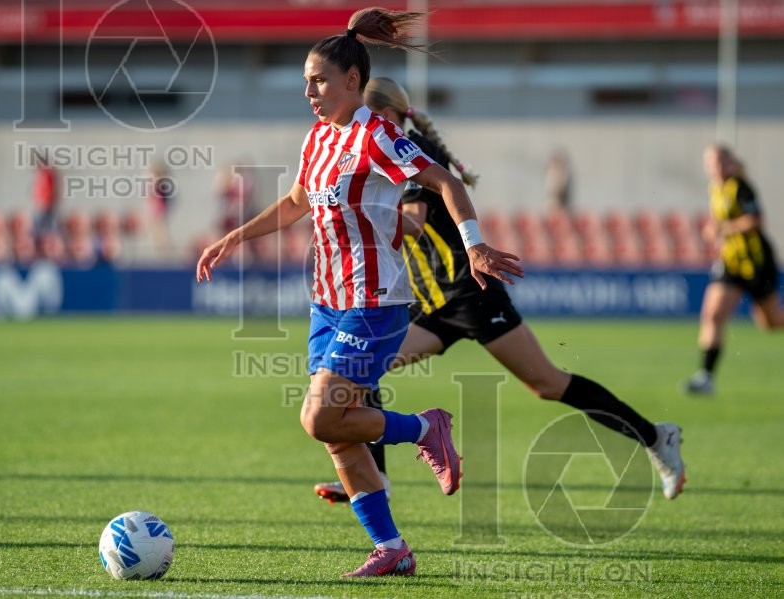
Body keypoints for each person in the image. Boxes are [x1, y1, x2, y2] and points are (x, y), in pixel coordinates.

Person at [196, 8, 523, 578]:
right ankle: (392, 549)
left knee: (320, 417)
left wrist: (474, 245)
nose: (309, 92)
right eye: (306, 82)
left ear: (353, 80)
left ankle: (425, 428)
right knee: (337, 433)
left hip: (375, 302)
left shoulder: (378, 136)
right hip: (327, 305)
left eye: (318, 81)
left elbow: (444, 180)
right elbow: (296, 203)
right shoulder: (318, 139)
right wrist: (234, 237)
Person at [312, 77, 686, 509]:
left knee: (547, 384)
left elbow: (413, 220)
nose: (360, 122)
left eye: (368, 113)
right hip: (432, 304)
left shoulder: (409, 149)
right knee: (361, 366)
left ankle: (657, 437)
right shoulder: (371, 151)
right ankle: (377, 475)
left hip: (471, 295)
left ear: (389, 114)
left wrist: (361, 212)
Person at [683, 145, 784, 395]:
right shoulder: (715, 189)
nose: (716, 166)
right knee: (713, 314)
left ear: (729, 162)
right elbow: (721, 223)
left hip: (757, 263)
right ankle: (706, 377)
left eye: (721, 160)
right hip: (731, 263)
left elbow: (755, 220)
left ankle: (706, 376)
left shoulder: (740, 187)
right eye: (712, 162)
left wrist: (723, 228)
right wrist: (713, 231)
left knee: (771, 323)